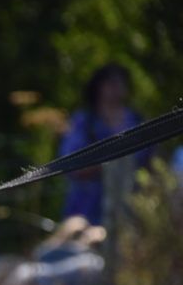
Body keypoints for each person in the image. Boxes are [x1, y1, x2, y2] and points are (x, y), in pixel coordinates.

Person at [59, 63, 150, 224]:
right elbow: (70, 163)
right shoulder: (85, 122)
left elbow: (152, 162)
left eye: (120, 82)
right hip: (87, 209)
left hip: (131, 206)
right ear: (98, 87)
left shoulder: (137, 120)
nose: (116, 87)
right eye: (111, 82)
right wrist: (111, 165)